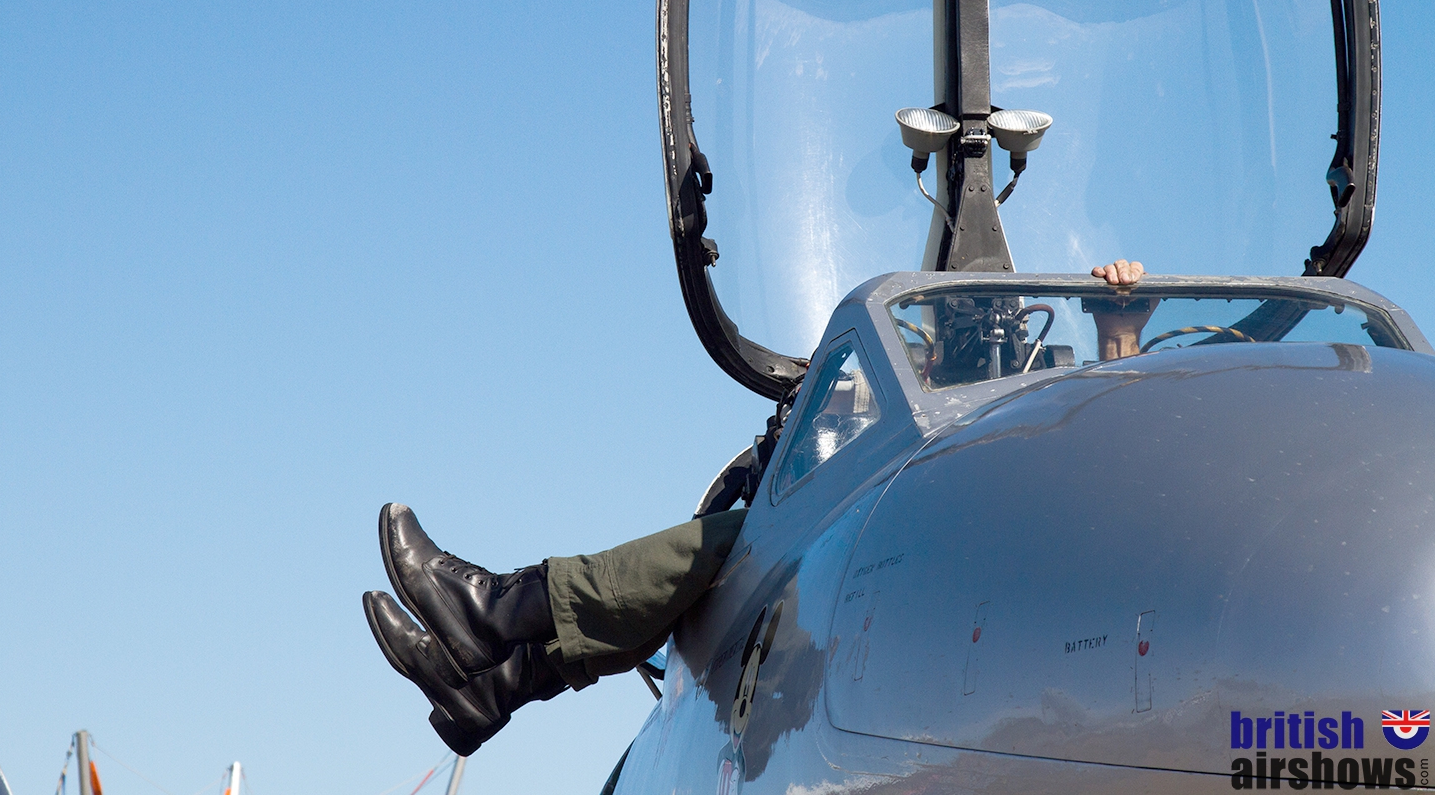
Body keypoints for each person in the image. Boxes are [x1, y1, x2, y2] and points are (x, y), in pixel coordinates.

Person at [364, 259, 1151, 755]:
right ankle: (496, 667)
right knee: (754, 545)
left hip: (979, 619)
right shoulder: (933, 468)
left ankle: (498, 633)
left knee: (743, 543)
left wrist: (1118, 334)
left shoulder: (1036, 457)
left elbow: (1114, 466)